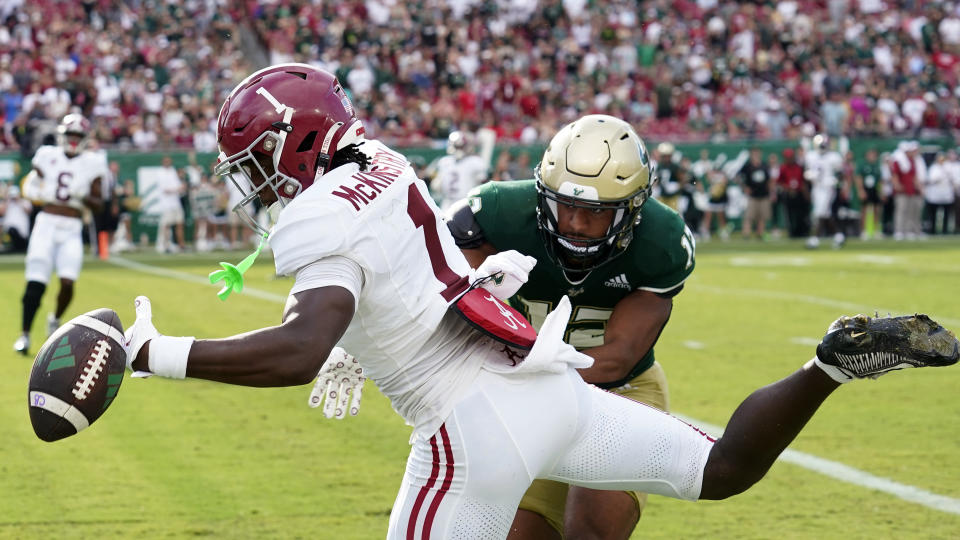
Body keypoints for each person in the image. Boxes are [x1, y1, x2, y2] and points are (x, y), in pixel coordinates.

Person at [122, 64, 960, 539]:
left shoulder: (314, 220)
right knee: (722, 469)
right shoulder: (379, 160)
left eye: (255, 156)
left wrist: (149, 352)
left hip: (468, 426)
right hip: (547, 385)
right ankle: (826, 364)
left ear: (294, 143)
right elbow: (405, 266)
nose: (250, 179)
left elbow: (295, 351)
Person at [445, 114, 694, 540]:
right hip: (528, 389)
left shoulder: (660, 240)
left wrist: (516, 373)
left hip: (621, 391)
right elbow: (441, 290)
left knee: (591, 531)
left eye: (595, 213)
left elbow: (616, 359)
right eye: (566, 206)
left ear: (632, 209)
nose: (576, 224)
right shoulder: (496, 215)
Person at [13, 113, 105, 355]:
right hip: (46, 223)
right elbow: (33, 181)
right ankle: (24, 334)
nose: (74, 140)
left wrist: (82, 196)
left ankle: (55, 318)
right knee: (36, 281)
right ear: (62, 136)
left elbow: (99, 203)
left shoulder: (93, 162)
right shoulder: (47, 155)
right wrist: (34, 188)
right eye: (71, 135)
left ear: (84, 138)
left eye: (78, 136)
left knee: (68, 281)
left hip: (72, 226)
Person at [426, 130, 493, 212]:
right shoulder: (474, 162)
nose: (459, 149)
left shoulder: (444, 161)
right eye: (458, 146)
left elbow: (435, 185)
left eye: (460, 146)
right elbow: (484, 183)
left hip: (452, 204)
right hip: (462, 203)